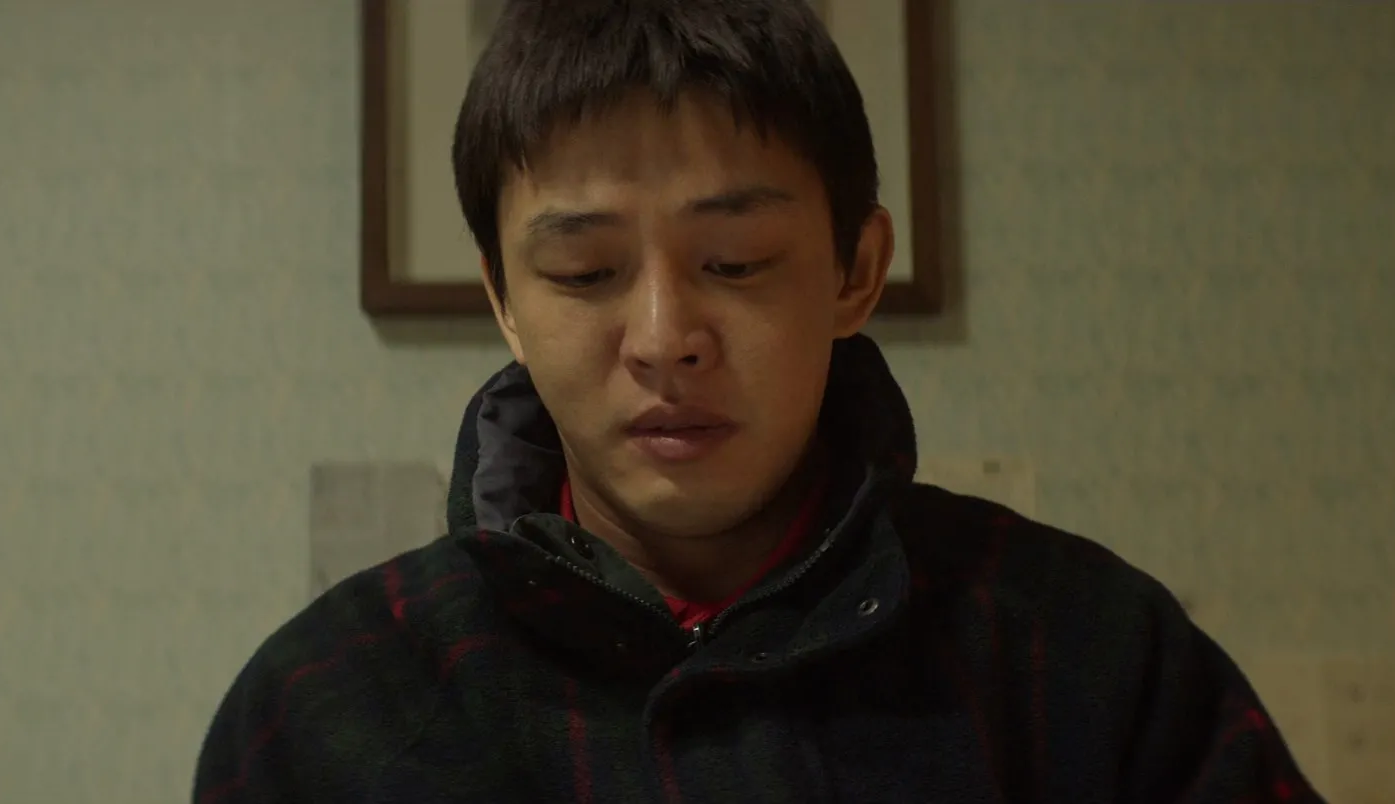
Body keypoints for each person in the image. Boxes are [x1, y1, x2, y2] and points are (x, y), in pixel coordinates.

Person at [193, 1, 1322, 801]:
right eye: (585, 272)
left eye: (735, 262)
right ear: (503, 301)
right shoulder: (328, 708)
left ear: (855, 270)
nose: (664, 340)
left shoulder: (1086, 655)